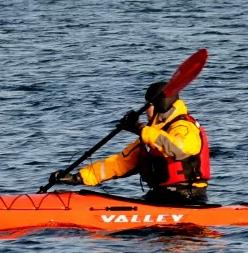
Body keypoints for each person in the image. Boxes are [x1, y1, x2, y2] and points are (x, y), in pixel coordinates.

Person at [48, 81, 211, 206]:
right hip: (161, 196)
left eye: (147, 105)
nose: (144, 109)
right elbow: (120, 163)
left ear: (158, 106)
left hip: (187, 198)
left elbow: (177, 148)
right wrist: (78, 177)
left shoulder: (184, 127)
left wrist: (139, 128)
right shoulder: (152, 133)